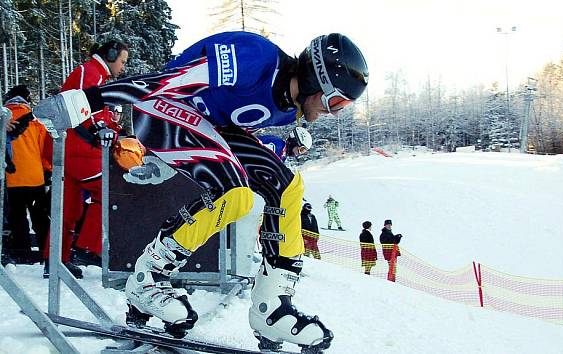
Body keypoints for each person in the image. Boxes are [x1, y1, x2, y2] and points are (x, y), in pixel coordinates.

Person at [32, 31, 368, 351]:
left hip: (209, 125)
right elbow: (171, 81)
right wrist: (87, 99)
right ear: (315, 79)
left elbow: (235, 134)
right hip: (163, 105)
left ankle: (272, 306)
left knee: (288, 186)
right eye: (335, 101)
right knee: (233, 192)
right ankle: (148, 278)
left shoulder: (286, 105)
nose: (333, 111)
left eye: (343, 107)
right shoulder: (257, 60)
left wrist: (275, 152)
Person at [42, 40, 128, 278]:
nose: (122, 67)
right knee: (111, 191)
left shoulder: (95, 75)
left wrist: (109, 125)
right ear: (110, 55)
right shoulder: (89, 72)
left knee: (68, 208)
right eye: (122, 61)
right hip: (77, 149)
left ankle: (56, 260)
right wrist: (99, 128)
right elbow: (77, 103)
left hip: (69, 149)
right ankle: (88, 247)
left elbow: (91, 110)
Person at [2, 85, 52, 265]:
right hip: (34, 178)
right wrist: (47, 170)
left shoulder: (3, 120)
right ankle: (47, 250)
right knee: (39, 216)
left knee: (17, 217)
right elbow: (44, 150)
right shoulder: (35, 121)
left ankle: (21, 251)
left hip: (11, 179)